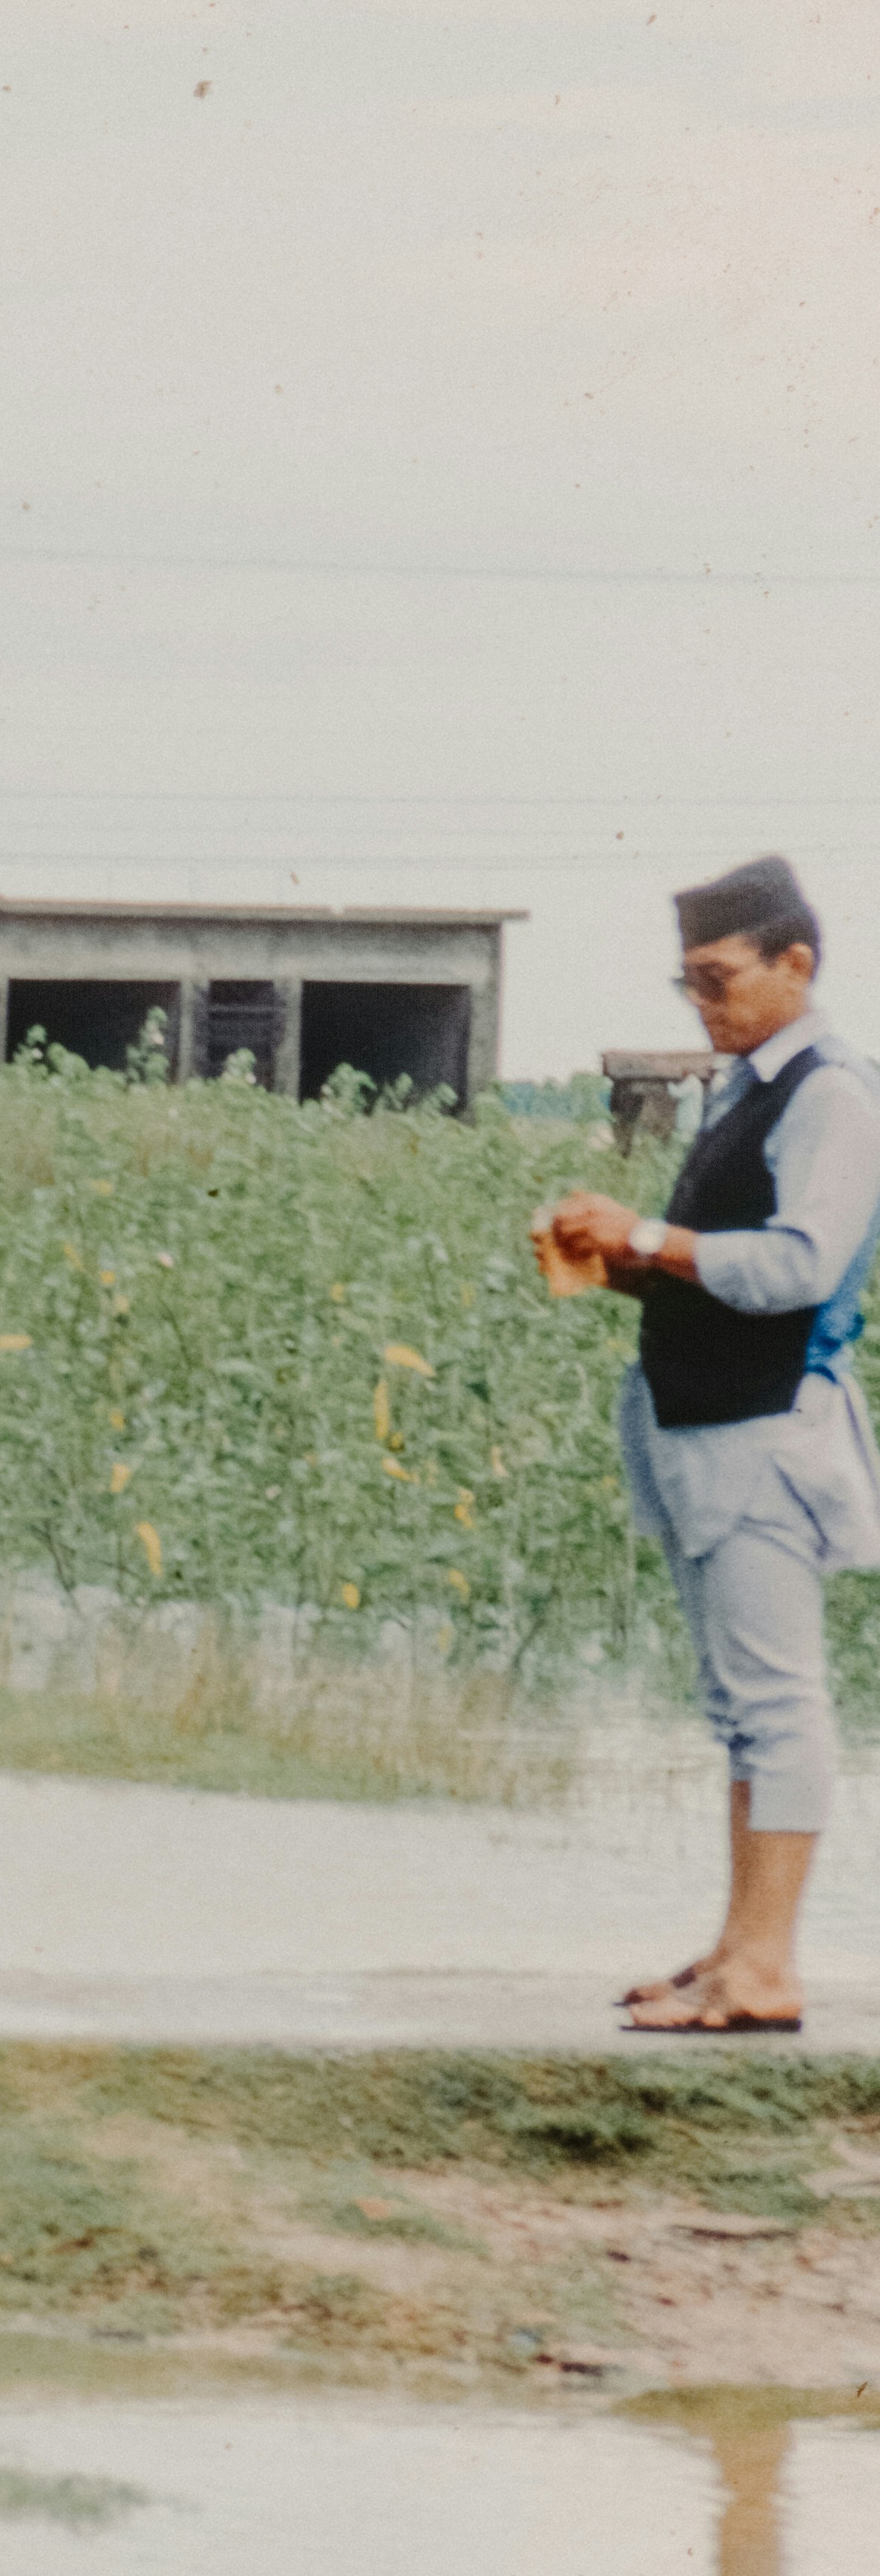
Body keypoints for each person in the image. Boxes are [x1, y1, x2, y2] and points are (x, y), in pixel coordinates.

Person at [540, 854, 880, 2036]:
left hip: (766, 1432)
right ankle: (735, 1949)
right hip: (706, 1424)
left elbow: (799, 1266)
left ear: (798, 961)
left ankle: (767, 1967)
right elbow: (723, 1267)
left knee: (777, 1702)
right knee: (740, 1705)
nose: (703, 1005)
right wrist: (624, 1262)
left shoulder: (831, 1091)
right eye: (685, 984)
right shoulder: (746, 1086)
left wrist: (649, 1232)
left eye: (719, 979)